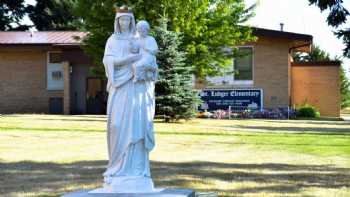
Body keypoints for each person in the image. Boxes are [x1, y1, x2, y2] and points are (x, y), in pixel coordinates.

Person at [90, 6, 156, 193]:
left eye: (128, 20)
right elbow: (109, 61)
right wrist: (129, 59)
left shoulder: (139, 38)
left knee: (136, 126)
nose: (125, 23)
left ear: (132, 21)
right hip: (119, 86)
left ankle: (135, 171)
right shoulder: (112, 40)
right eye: (121, 20)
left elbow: (150, 61)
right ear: (117, 22)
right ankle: (117, 168)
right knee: (117, 125)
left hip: (136, 89)